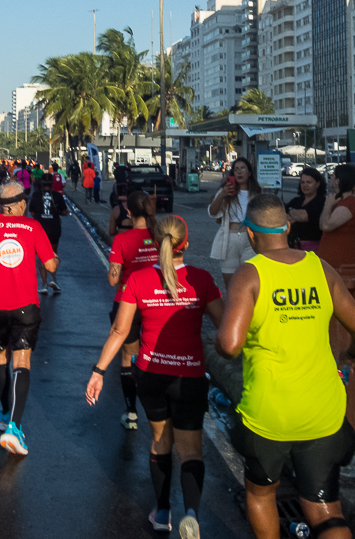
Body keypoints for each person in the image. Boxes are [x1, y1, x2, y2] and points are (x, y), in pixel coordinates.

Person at [215, 194, 355, 539]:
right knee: (326, 509)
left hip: (269, 414)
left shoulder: (250, 274)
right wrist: (352, 356)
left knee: (261, 493)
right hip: (323, 412)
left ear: (250, 235)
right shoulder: (320, 267)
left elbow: (229, 345)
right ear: (287, 227)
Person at [87, 214, 224, 536]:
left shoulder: (138, 281)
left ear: (154, 241)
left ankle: (162, 512)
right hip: (189, 378)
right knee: (191, 450)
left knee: (160, 442)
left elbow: (120, 331)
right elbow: (226, 328)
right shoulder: (201, 279)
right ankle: (191, 512)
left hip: (150, 375)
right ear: (185, 244)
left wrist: (98, 371)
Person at [0, 182, 58, 456]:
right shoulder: (32, 227)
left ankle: (5, 412)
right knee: (22, 360)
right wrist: (52, 260)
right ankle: (15, 428)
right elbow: (51, 264)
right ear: (20, 205)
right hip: (24, 306)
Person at [108, 190, 159, 430]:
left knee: (128, 357)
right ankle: (157, 408)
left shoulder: (121, 240)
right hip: (155, 302)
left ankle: (131, 414)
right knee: (152, 356)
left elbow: (112, 279)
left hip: (127, 303)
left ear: (128, 212)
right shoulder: (159, 237)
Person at [208, 157, 262, 288]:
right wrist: (222, 195)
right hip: (230, 237)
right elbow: (212, 212)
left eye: (243, 168)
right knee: (230, 282)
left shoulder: (256, 193)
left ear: (249, 172)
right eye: (236, 169)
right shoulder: (225, 191)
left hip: (250, 238)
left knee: (249, 278)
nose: (239, 172)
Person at [317, 164, 355, 269]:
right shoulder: (338, 201)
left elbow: (327, 226)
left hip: (343, 263)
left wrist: (327, 205)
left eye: (333, 175)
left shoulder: (349, 203)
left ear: (338, 181)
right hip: (332, 262)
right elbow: (321, 225)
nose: (330, 177)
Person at [29, 174, 68, 294]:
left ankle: (44, 284)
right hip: (54, 228)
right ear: (51, 184)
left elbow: (32, 212)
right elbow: (65, 212)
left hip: (40, 229)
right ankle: (54, 279)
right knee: (53, 253)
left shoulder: (36, 195)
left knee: (41, 257)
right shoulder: (57, 196)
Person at [286, 167, 326, 252]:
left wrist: (291, 211)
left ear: (318, 184)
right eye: (302, 182)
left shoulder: (322, 202)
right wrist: (297, 216)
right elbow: (283, 218)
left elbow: (305, 216)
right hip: (293, 246)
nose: (305, 185)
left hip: (314, 248)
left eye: (309, 182)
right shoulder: (296, 201)